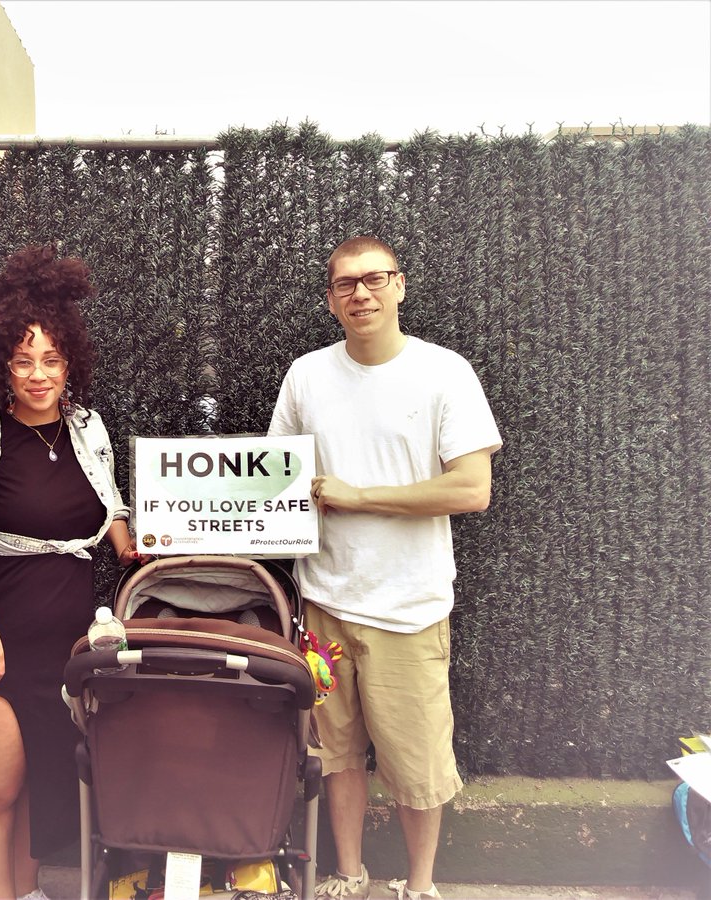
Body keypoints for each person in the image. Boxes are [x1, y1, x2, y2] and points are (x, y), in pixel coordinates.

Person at [268, 236, 502, 900]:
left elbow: (471, 489)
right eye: (345, 284)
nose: (361, 293)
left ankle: (420, 886)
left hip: (409, 609)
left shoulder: (444, 372)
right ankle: (349, 873)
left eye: (375, 279)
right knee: (335, 753)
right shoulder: (306, 375)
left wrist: (361, 496)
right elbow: (274, 476)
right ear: (330, 300)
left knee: (417, 764)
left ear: (399, 285)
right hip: (323, 607)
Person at [0, 244, 142, 900]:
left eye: (51, 359)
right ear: (3, 365)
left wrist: (130, 544)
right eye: (23, 361)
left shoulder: (88, 428)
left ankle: (29, 889)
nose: (38, 375)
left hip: (64, 644)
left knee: (45, 774)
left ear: (70, 362)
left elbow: (109, 501)